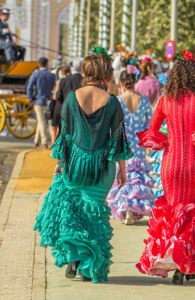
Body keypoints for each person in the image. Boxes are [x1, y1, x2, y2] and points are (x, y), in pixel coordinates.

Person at [33, 48, 133, 283]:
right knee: (94, 216)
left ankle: (75, 257)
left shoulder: (72, 97)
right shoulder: (112, 102)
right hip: (102, 168)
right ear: (106, 73)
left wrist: (60, 163)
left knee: (75, 213)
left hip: (75, 164)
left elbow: (65, 135)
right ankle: (89, 268)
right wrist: (123, 171)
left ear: (86, 72)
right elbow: (118, 138)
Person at [136, 50, 195, 284]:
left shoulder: (165, 102)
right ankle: (186, 265)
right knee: (192, 214)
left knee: (174, 213)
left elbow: (153, 132)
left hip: (171, 164)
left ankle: (175, 262)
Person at [107, 70, 155, 225]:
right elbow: (150, 122)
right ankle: (133, 209)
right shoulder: (145, 100)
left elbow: (113, 125)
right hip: (139, 143)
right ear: (135, 82)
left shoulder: (118, 101)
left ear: (121, 84)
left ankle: (126, 209)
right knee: (137, 176)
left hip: (123, 143)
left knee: (124, 174)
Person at [53, 58, 83, 144]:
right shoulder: (84, 80)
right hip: (80, 111)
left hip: (66, 110)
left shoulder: (64, 80)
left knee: (65, 133)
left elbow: (59, 96)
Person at [27, 57, 56, 149]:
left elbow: (29, 87)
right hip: (49, 101)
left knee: (41, 121)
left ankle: (43, 142)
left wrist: (31, 99)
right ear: (47, 65)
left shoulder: (35, 74)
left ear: (39, 65)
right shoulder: (52, 75)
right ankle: (36, 141)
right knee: (43, 121)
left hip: (38, 100)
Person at [50, 66, 71, 145]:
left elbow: (55, 96)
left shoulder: (60, 81)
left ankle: (54, 147)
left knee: (53, 127)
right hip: (69, 107)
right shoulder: (72, 80)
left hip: (59, 105)